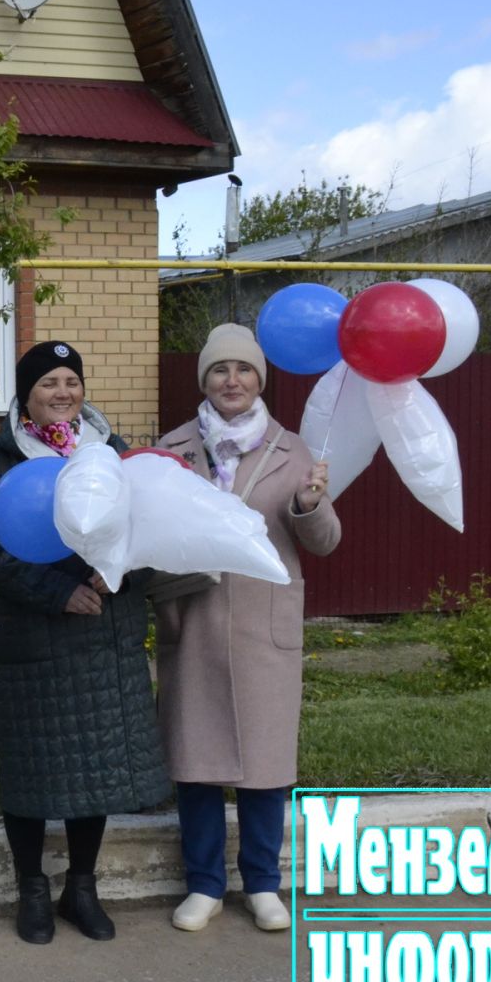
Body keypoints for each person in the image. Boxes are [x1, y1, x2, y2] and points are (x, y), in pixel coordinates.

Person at [0, 340, 169, 945]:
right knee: (30, 769)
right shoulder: (3, 458)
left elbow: (150, 523)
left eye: (71, 381)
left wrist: (118, 570)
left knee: (95, 766)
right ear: (26, 394)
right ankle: (31, 888)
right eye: (48, 382)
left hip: (102, 632)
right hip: (34, 638)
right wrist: (56, 593)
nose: (63, 392)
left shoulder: (111, 452)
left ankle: (82, 886)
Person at [155, 324, 341, 933]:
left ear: (260, 379)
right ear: (203, 379)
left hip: (265, 627)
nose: (231, 381)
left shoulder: (295, 451)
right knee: (197, 760)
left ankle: (263, 884)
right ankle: (204, 885)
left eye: (244, 370)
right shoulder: (174, 450)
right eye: (219, 370)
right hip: (196, 621)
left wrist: (310, 505)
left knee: (265, 765)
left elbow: (325, 542)